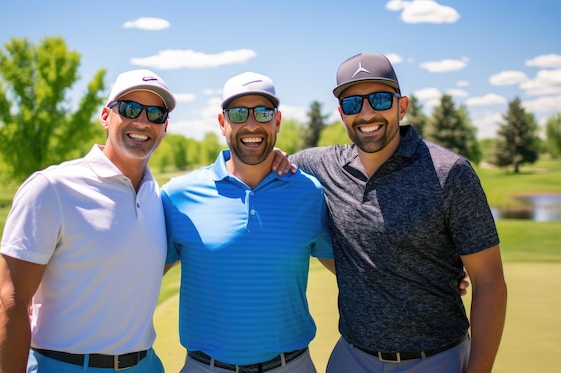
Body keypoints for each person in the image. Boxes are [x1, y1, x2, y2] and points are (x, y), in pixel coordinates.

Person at [290, 53, 508, 373]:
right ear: (341, 114)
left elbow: (489, 281)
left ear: (401, 106)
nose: (366, 114)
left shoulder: (450, 172)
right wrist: (277, 158)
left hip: (436, 359)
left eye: (379, 99)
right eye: (353, 104)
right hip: (351, 358)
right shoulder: (319, 167)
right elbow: (268, 165)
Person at [0, 69, 176, 373]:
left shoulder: (160, 199)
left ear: (165, 128)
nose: (143, 121)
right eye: (130, 109)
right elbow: (10, 301)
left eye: (156, 114)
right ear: (106, 116)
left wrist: (275, 160)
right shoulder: (51, 187)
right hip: (65, 366)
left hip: (146, 365)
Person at [162, 71, 335, 373]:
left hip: (291, 366)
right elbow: (141, 278)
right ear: (222, 123)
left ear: (277, 122)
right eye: (239, 113)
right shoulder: (177, 195)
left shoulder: (309, 192)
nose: (252, 124)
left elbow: (354, 274)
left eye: (263, 112)